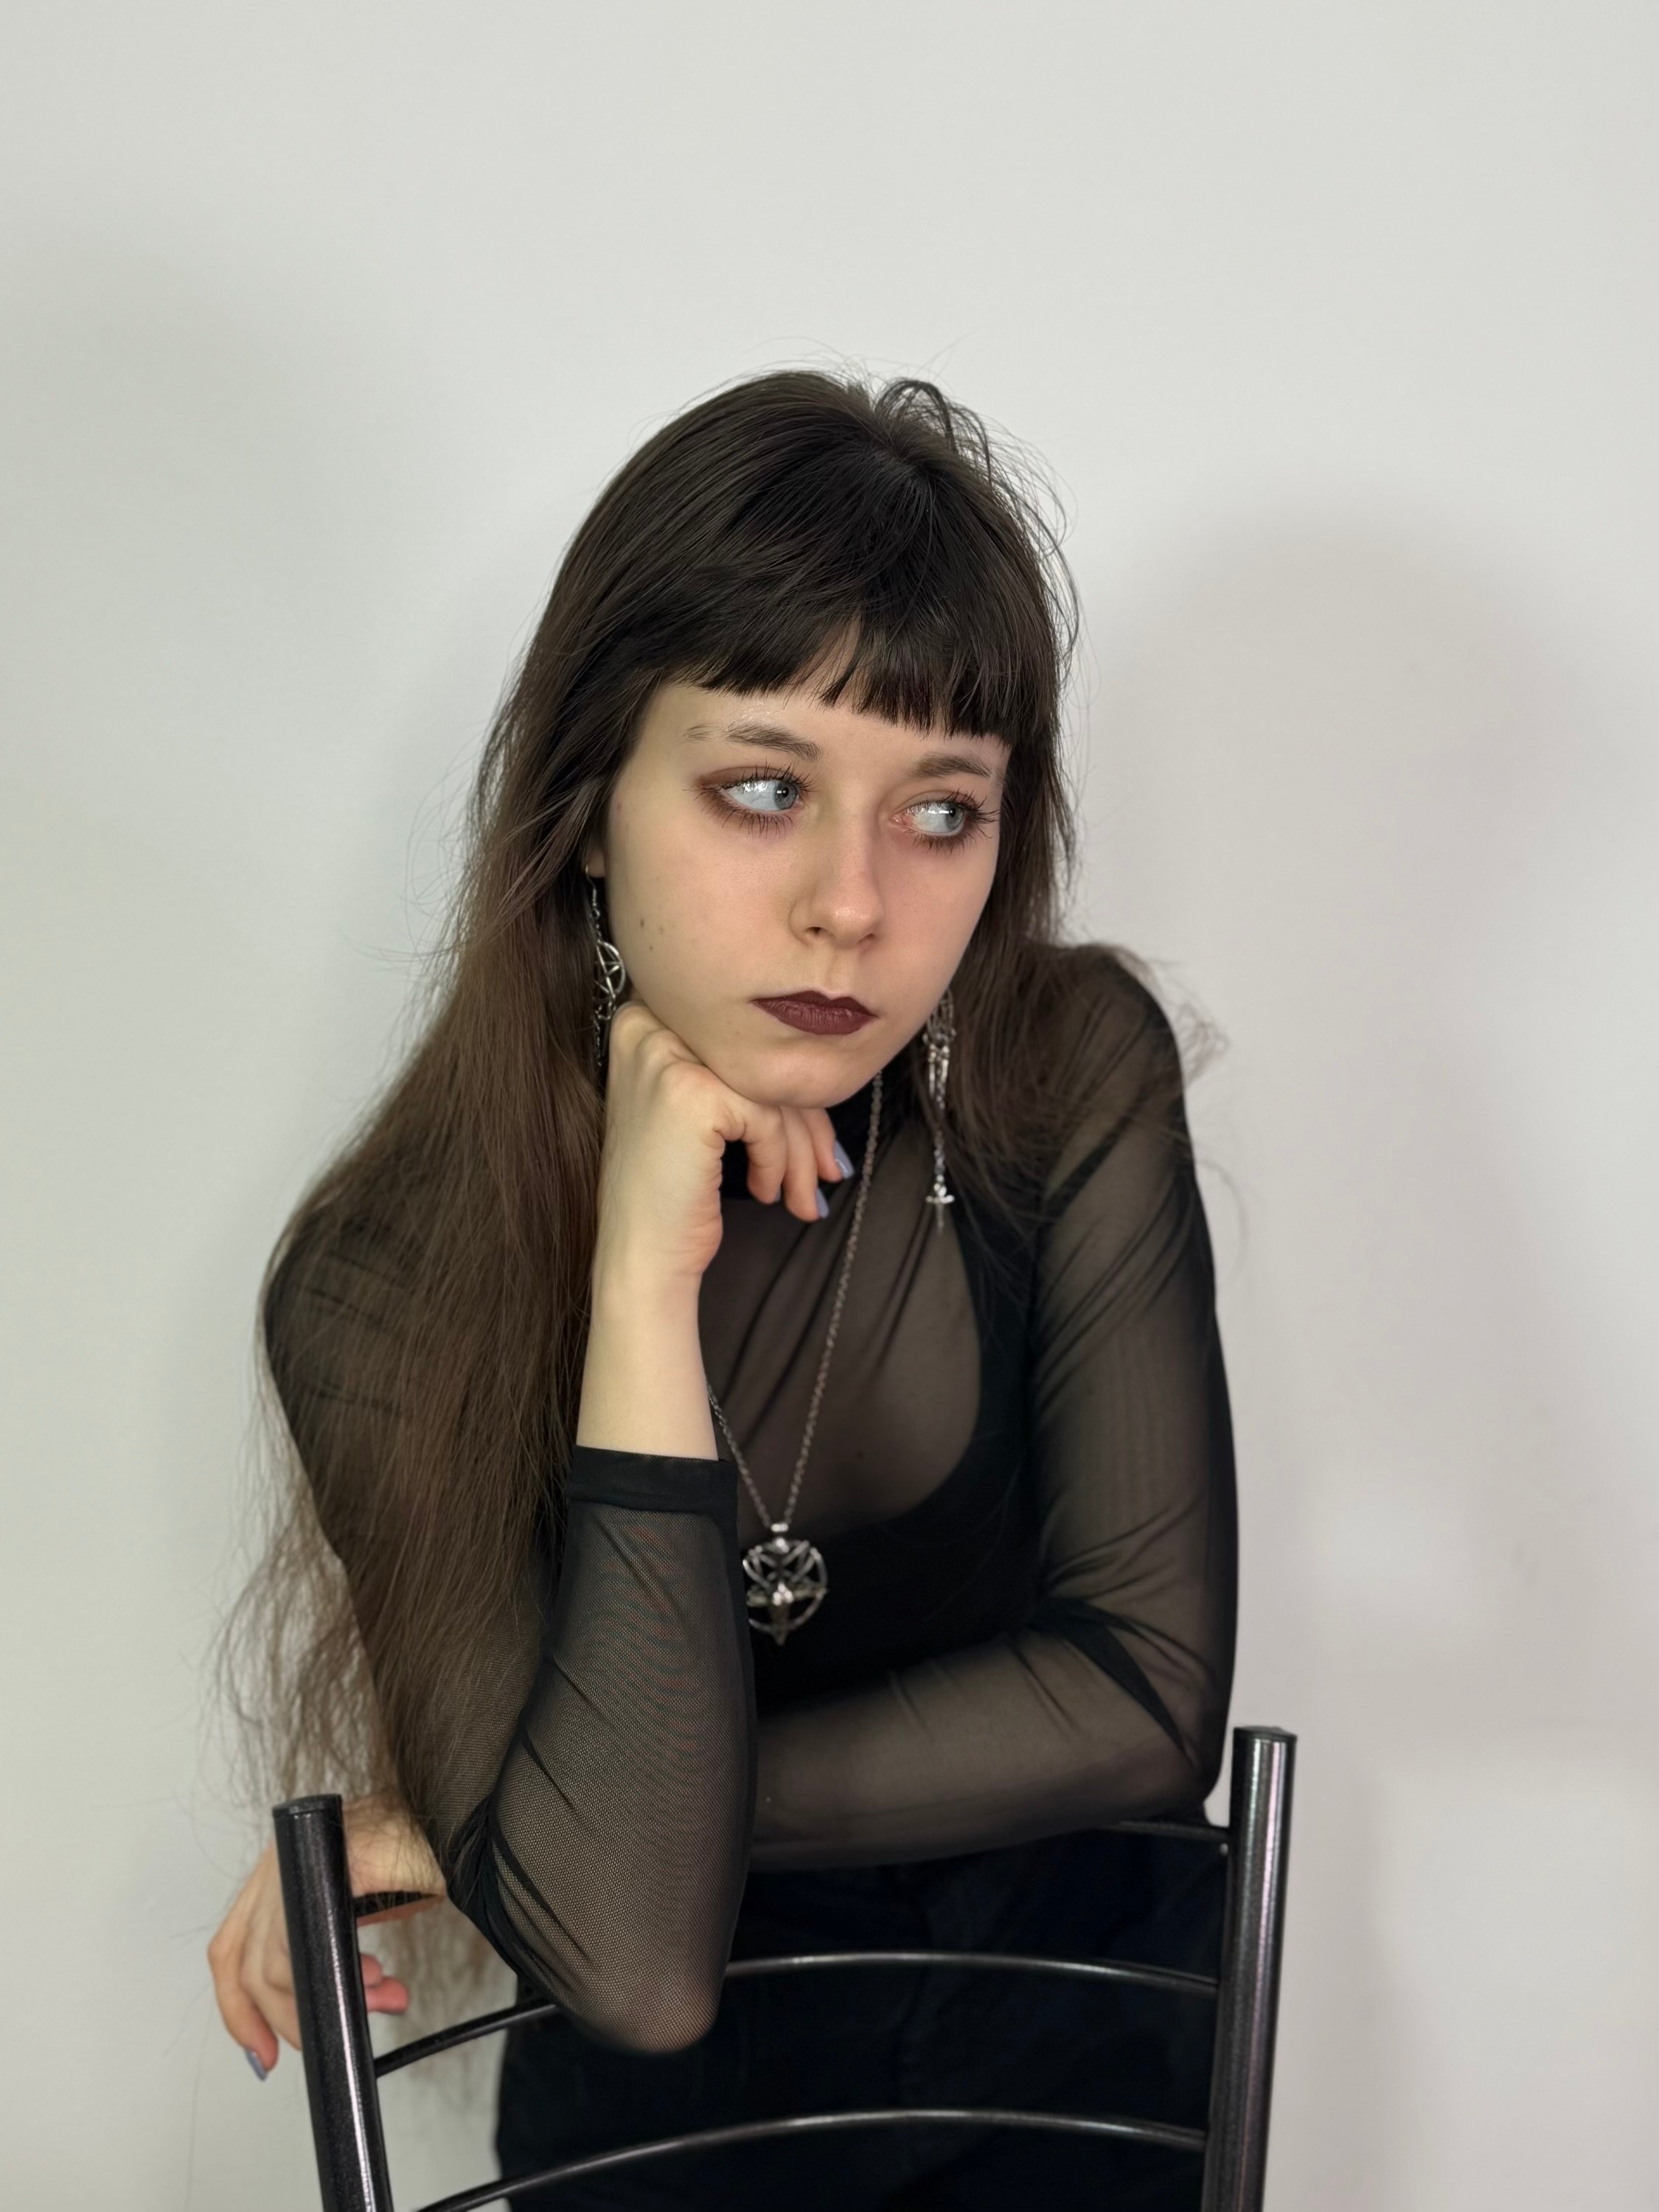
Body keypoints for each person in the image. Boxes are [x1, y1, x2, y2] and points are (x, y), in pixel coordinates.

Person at [207, 369, 1238, 2210]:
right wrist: (637, 1281)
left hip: (1082, 2092)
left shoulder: (1065, 1071)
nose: (854, 903)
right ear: (590, 805)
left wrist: (510, 1832)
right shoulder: (380, 1286)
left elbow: (1148, 1697)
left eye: (942, 812)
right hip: (654, 2152)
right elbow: (632, 1961)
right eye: (764, 789)